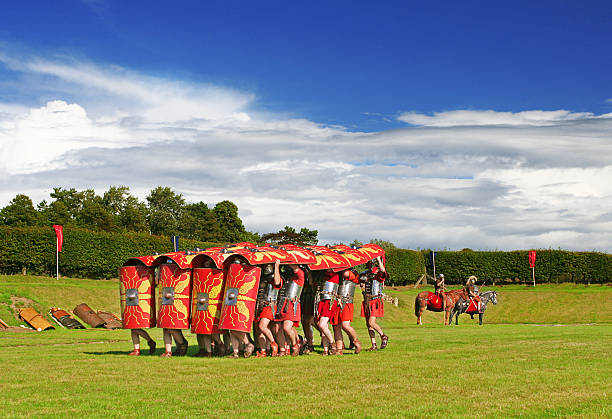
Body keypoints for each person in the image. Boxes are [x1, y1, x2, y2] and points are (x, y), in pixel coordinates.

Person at [360, 257, 389, 351]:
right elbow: (359, 279)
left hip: (375, 300)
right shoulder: (366, 273)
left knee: (371, 322)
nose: (370, 263)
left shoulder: (377, 272)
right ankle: (374, 345)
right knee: (368, 325)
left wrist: (379, 260)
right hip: (366, 300)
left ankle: (383, 335)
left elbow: (383, 271)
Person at [275, 264, 305, 356]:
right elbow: (276, 282)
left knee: (287, 327)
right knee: (277, 328)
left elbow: (296, 269)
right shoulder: (284, 279)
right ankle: (283, 350)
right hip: (281, 304)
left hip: (291, 304)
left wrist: (287, 260)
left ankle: (295, 345)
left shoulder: (299, 277)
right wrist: (277, 266)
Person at [254, 261, 281, 357]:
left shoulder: (276, 277)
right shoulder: (261, 277)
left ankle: (274, 344)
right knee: (259, 330)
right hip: (260, 305)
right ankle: (263, 351)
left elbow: (277, 282)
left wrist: (277, 266)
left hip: (269, 305)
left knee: (262, 326)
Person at [332, 268, 362, 355]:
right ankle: (339, 349)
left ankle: (356, 341)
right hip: (336, 301)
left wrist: (339, 266)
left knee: (345, 325)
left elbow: (345, 273)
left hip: (346, 301)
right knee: (336, 326)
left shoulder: (351, 273)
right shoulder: (338, 273)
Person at [316, 269, 340, 355]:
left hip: (330, 301)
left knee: (322, 324)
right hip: (322, 300)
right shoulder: (322, 275)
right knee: (322, 326)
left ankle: (332, 344)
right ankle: (326, 350)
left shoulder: (334, 275)